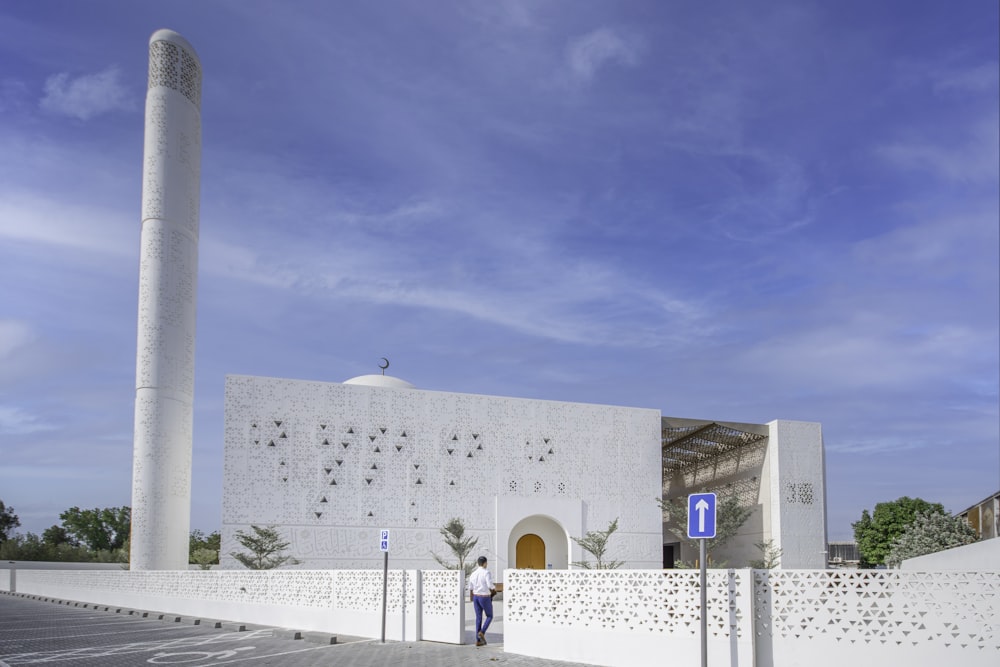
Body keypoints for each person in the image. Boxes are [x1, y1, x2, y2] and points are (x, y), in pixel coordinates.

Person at [467, 555, 496, 646]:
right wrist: (494, 588)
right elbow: (489, 585)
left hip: (476, 596)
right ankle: (482, 632)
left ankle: (478, 641)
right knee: (489, 616)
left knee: (478, 618)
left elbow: (470, 587)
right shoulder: (486, 572)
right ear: (484, 563)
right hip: (484, 597)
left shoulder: (473, 573)